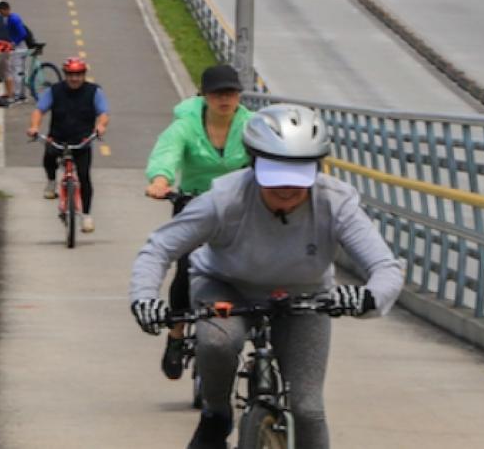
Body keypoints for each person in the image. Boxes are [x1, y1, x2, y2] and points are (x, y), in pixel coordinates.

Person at [130, 104, 403, 449]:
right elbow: (159, 247)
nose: (287, 189)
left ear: (317, 169)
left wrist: (367, 297)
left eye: (298, 177)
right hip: (225, 285)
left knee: (308, 408)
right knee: (218, 341)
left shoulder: (336, 202)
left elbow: (385, 267)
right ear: (254, 163)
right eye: (275, 176)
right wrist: (144, 298)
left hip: (305, 296)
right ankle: (216, 415)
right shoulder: (224, 198)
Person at [144, 64, 253, 380]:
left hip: (238, 207)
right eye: (217, 93)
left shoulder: (250, 125)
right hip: (193, 204)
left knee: (253, 266)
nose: (224, 98)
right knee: (186, 268)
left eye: (231, 92)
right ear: (204, 96)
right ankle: (176, 335)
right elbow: (167, 154)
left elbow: (270, 153)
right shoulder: (185, 125)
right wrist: (160, 180)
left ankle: (260, 336)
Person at [27, 57, 109, 234]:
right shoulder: (54, 91)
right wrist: (34, 126)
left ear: (84, 75)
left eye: (78, 75)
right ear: (65, 75)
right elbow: (39, 110)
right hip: (58, 137)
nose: (74, 79)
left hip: (82, 141)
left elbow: (103, 113)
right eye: (71, 75)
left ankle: (86, 216)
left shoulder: (94, 92)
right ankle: (51, 182)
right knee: (49, 156)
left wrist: (101, 126)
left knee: (84, 177)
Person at [0, 0, 33, 100]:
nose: (0, 14)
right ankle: (16, 92)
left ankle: (17, 94)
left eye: (1, 12)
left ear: (6, 9)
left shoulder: (14, 19)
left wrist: (13, 43)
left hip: (19, 48)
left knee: (16, 70)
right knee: (14, 69)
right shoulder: (9, 18)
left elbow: (22, 34)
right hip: (16, 48)